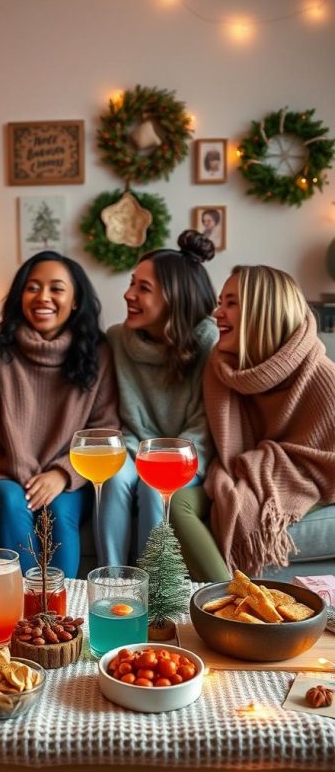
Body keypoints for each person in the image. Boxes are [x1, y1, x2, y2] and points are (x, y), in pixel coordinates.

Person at [171, 265, 335, 581]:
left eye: (231, 303)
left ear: (263, 311)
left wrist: (275, 471)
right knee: (179, 503)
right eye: (220, 301)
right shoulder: (221, 368)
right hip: (244, 468)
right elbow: (227, 446)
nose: (217, 312)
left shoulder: (324, 378)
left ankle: (228, 605)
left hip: (311, 480)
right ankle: (229, 599)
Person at [0, 250, 118, 578]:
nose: (43, 297)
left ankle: (62, 615)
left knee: (60, 512)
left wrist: (62, 474)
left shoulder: (98, 353)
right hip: (3, 476)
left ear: (76, 300)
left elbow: (105, 431)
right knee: (10, 502)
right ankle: (21, 613)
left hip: (68, 475)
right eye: (32, 287)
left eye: (57, 288)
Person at [99, 230, 218, 565]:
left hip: (186, 452)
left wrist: (161, 457)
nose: (128, 294)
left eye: (143, 288)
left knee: (154, 486)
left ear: (175, 299)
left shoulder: (208, 339)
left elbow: (206, 424)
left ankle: (152, 590)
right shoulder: (117, 340)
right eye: (132, 283)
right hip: (133, 446)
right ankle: (111, 580)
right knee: (113, 476)